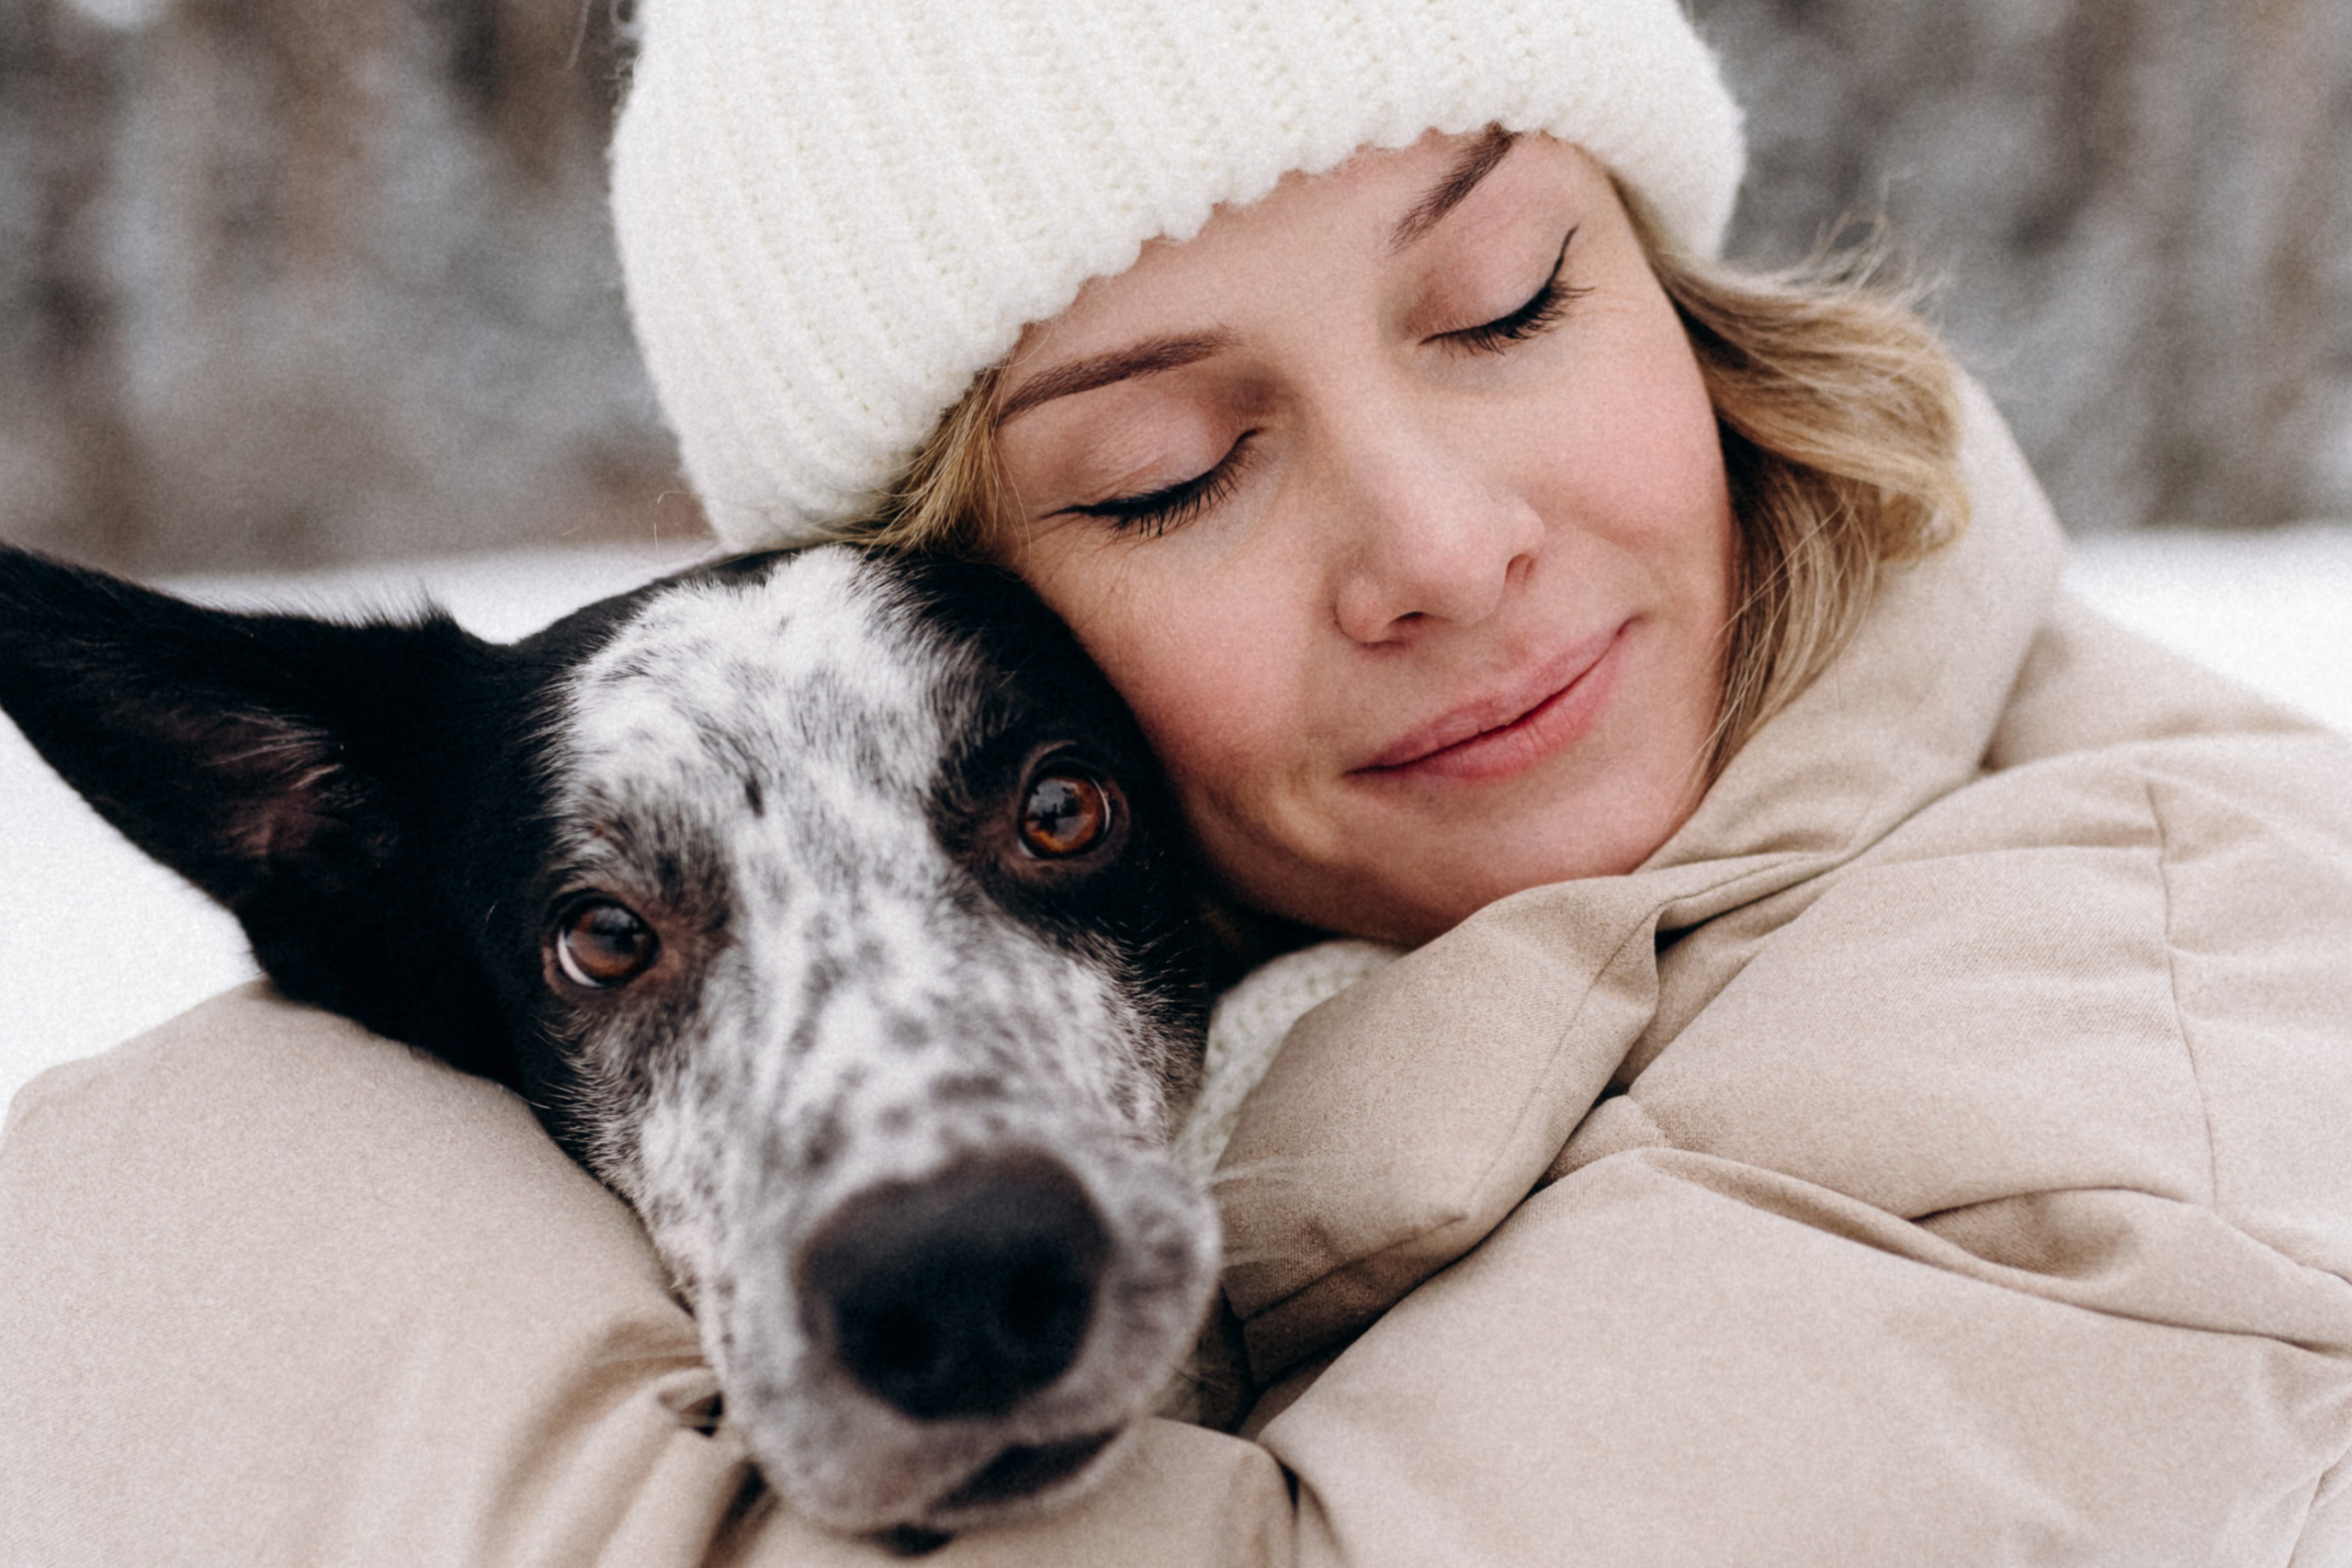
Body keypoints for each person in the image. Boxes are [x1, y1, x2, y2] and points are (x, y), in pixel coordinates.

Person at [6, 1, 2352, 1562]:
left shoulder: (2156, 976)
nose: (1446, 548)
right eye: (1157, 474)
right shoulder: (1317, 894)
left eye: (1511, 297)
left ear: (1677, 292)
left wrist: (170, 1211)